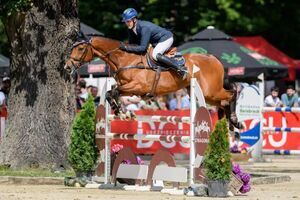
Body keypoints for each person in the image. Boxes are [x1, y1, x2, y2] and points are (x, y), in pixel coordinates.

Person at [119, 8, 187, 80]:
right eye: (125, 22)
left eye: (128, 21)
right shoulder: (131, 29)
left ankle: (180, 69)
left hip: (166, 38)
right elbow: (132, 44)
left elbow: (142, 48)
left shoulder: (144, 28)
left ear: (134, 19)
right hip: (156, 41)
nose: (127, 24)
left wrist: (126, 48)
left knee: (155, 54)